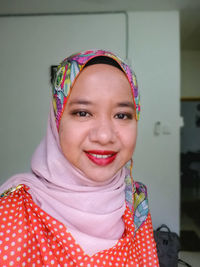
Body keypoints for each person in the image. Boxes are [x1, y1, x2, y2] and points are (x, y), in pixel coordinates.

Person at [0, 49, 159, 266]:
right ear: (57, 122)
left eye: (122, 115)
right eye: (83, 113)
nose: (104, 136)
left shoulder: (136, 201)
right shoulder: (13, 212)